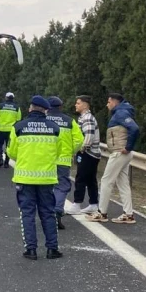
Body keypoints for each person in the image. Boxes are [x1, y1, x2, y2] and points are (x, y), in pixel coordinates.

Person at [7, 96, 62, 259]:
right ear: (45, 110)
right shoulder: (54, 128)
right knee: (48, 213)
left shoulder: (18, 127)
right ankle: (52, 249)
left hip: (24, 179)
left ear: (30, 108)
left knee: (27, 214)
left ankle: (31, 249)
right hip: (47, 179)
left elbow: (11, 152)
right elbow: (58, 152)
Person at [86, 93, 140, 224]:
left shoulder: (121, 113)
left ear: (115, 102)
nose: (107, 104)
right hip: (122, 153)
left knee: (106, 181)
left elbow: (135, 128)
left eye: (109, 102)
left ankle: (101, 213)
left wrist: (128, 147)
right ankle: (128, 214)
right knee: (123, 183)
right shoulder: (123, 112)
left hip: (119, 153)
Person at [46, 96, 83, 230]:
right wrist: (71, 151)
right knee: (61, 187)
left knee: (46, 188)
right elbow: (79, 140)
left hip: (45, 160)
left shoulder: (42, 120)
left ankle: (47, 215)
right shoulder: (69, 121)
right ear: (61, 107)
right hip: (63, 161)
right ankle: (57, 211)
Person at [65, 96, 102, 215]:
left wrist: (81, 149)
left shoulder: (87, 118)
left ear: (85, 105)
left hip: (88, 153)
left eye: (78, 103)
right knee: (91, 180)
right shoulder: (84, 118)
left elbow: (89, 136)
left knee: (80, 178)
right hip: (91, 153)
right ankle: (93, 204)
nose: (76, 105)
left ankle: (77, 204)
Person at [0, 92, 21, 169]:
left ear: (6, 97)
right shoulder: (17, 108)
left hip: (0, 130)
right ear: (13, 98)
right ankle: (6, 163)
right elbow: (19, 119)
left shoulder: (0, 106)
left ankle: (0, 159)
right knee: (9, 146)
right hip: (11, 131)